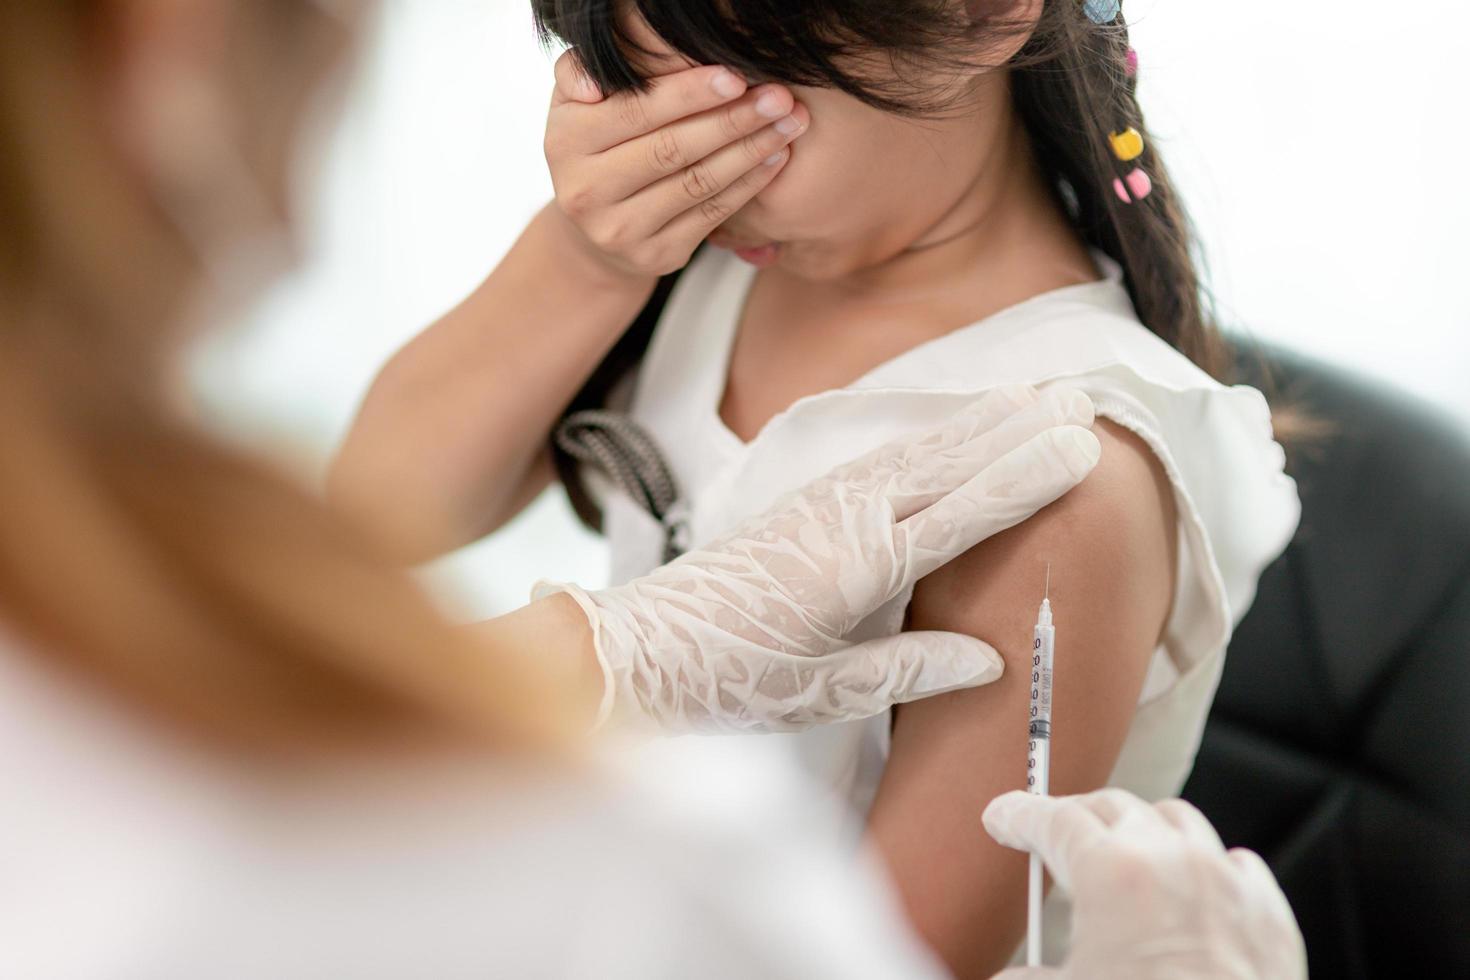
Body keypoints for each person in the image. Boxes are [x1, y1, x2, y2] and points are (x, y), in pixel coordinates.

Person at [0, 1, 1304, 976]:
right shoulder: (702, 249)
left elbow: (888, 955)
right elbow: (375, 516)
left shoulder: (1059, 458)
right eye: (627, 87)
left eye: (724, 89)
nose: (671, 149)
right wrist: (579, 256)